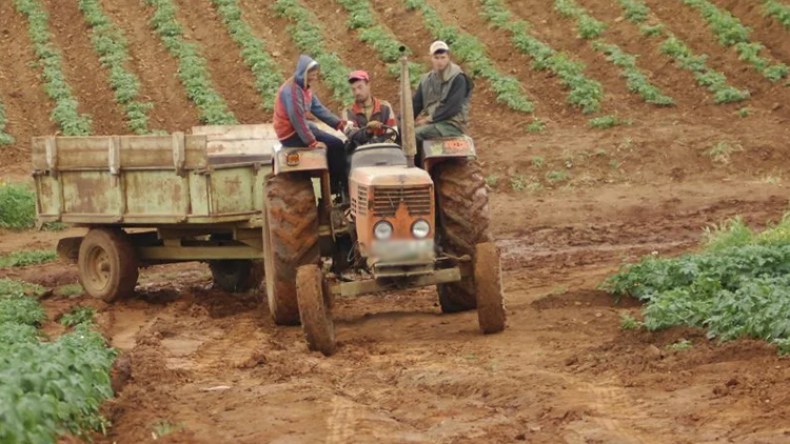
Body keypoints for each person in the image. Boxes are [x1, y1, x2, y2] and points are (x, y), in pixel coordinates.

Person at [273, 55, 355, 194]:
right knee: (336, 145)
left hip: (300, 128)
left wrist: (340, 124)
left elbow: (319, 109)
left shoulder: (305, 89)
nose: (314, 77)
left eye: (315, 74)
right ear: (303, 72)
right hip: (290, 133)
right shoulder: (292, 91)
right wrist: (312, 142)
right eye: (311, 74)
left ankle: (337, 183)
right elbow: (297, 119)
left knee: (326, 137)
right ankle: (337, 187)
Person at [412, 41, 473, 150]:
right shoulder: (426, 80)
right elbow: (416, 104)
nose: (440, 61)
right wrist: (402, 121)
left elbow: (452, 107)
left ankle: (415, 165)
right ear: (431, 58)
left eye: (443, 57)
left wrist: (428, 120)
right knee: (404, 134)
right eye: (436, 57)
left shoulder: (458, 78)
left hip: (451, 125)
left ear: (448, 57)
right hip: (434, 124)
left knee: (415, 135)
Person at [342, 70, 398, 152]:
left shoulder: (385, 107)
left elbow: (392, 134)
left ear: (368, 85)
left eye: (360, 87)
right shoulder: (348, 112)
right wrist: (368, 130)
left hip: (384, 152)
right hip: (359, 154)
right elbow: (352, 136)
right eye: (353, 89)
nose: (357, 92)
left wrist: (376, 146)